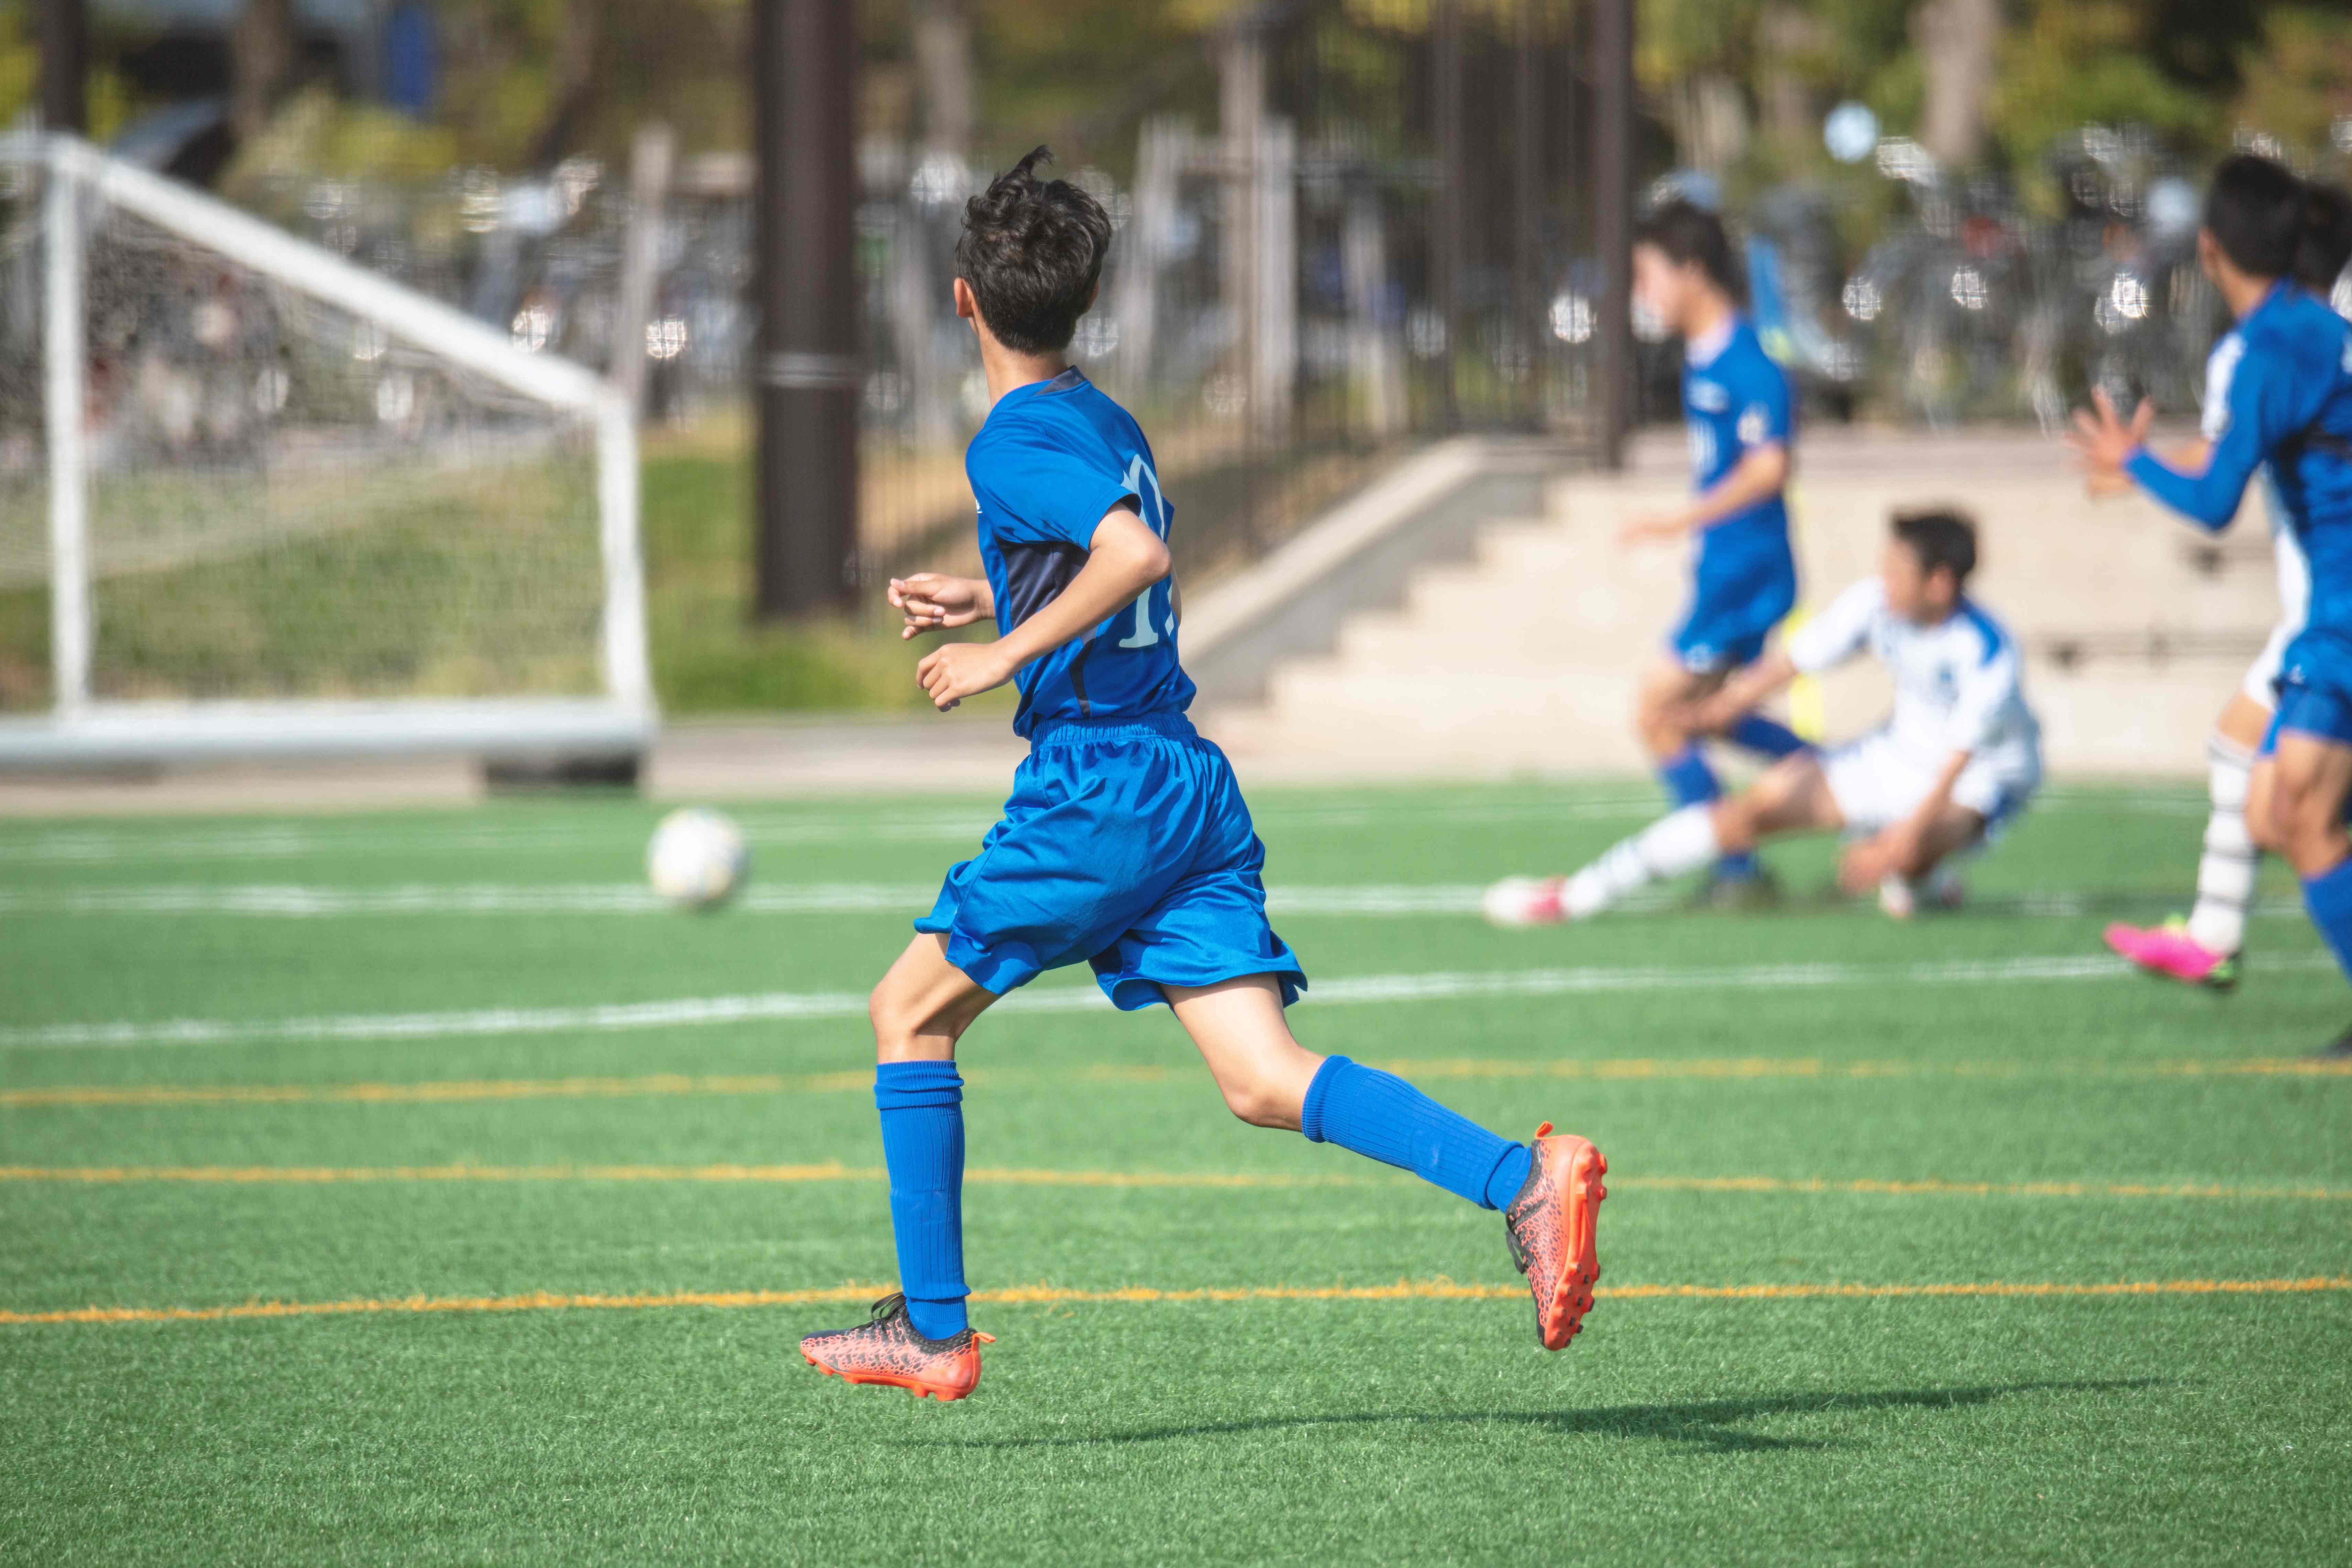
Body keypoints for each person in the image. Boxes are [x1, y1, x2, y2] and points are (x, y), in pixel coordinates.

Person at [797, 149, 1606, 1402]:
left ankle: (934, 1331)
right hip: (1185, 782)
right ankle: (1523, 1182)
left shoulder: (1009, 438)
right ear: (1083, 303)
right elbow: (1102, 558)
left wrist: (1000, 652)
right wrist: (991, 588)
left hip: (1102, 792)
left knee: (907, 1014)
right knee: (1264, 1080)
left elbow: (1135, 554)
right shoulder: (1105, 417)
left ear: (964, 302)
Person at [2072, 153, 2352, 1055]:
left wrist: (2138, 463)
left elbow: (2215, 502)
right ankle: (2212, 934)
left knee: (2296, 808)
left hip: (2341, 611)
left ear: (2210, 250)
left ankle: (2212, 938)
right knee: (2274, 808)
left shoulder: (2254, 351)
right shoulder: (2319, 327)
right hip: (2331, 609)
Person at [1484, 509, 2040, 926]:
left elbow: (1961, 758)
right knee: (1745, 815)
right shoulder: (1878, 604)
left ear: (1940, 583)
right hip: (1892, 758)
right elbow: (1795, 661)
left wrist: (1899, 844)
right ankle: (1575, 896)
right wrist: (1719, 709)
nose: (1885, 578)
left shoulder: (1985, 649)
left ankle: (1921, 873)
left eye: (1897, 571)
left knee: (1913, 847)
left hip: (1977, 782)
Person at [1616, 199, 1811, 907]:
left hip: (1745, 575)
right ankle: (1841, 783)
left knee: (1658, 711)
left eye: (1648, 275)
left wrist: (1678, 519)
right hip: (1725, 572)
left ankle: (1737, 864)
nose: (1643, 294)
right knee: (1715, 718)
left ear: (1691, 271)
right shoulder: (1703, 358)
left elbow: (1770, 468)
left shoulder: (1746, 361)